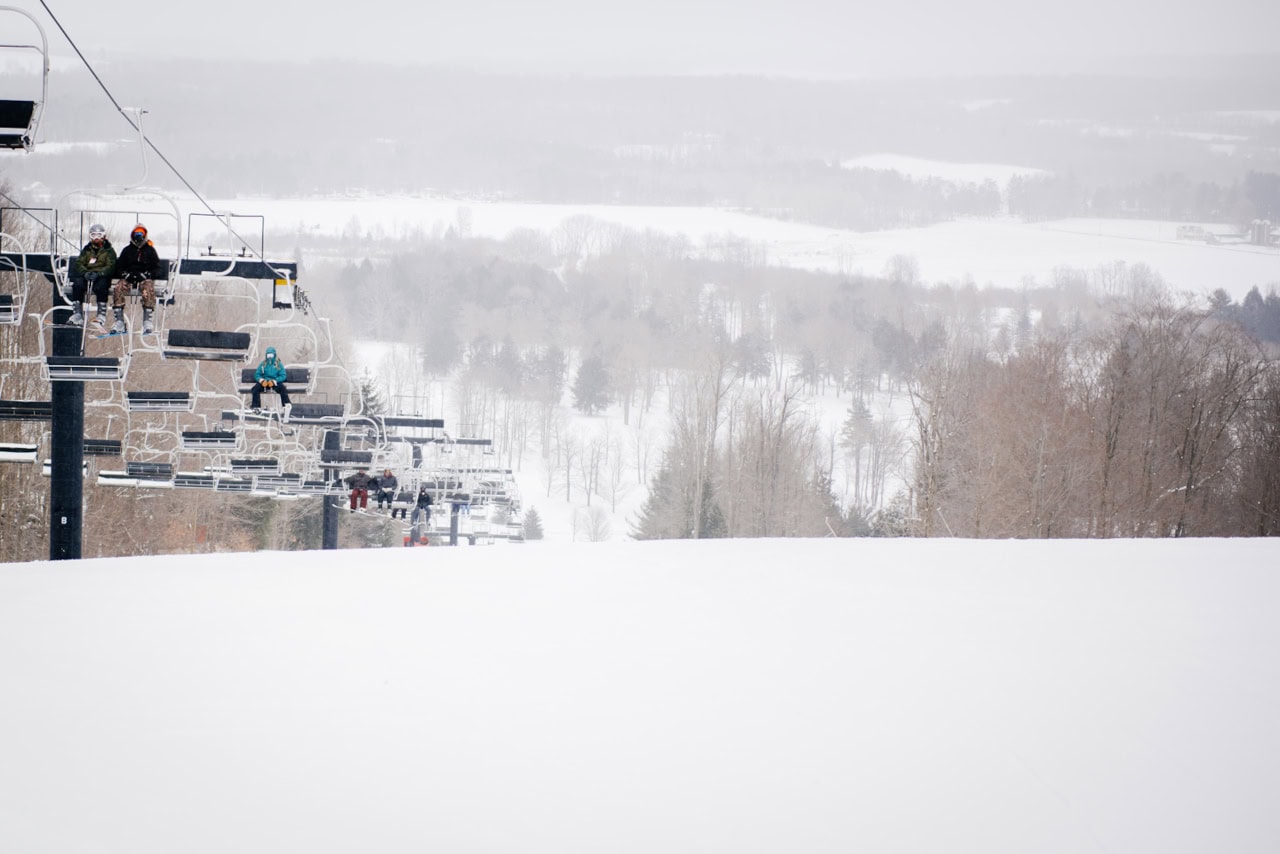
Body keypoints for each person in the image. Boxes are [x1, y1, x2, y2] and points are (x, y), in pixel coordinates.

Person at [111, 223, 161, 334]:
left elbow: (157, 268)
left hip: (143, 278)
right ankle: (119, 321)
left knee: (148, 289)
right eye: (137, 233)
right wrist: (125, 274)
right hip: (129, 277)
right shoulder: (127, 250)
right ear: (133, 235)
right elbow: (119, 266)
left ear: (145, 235)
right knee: (118, 288)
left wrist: (148, 274)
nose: (139, 236)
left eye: (141, 233)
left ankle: (147, 320)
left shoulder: (150, 250)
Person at [66, 223, 116, 328]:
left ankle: (101, 314)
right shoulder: (87, 249)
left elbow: (111, 266)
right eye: (94, 235)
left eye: (99, 235)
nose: (96, 238)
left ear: (103, 236)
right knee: (78, 284)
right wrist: (85, 273)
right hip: (88, 275)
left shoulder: (109, 250)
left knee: (102, 286)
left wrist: (100, 273)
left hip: (101, 276)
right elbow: (79, 263)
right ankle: (78, 313)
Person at [249, 346, 292, 421]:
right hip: (265, 382)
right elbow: (257, 374)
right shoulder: (263, 364)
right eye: (268, 355)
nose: (270, 357)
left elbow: (283, 375)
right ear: (266, 355)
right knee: (255, 389)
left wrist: (275, 381)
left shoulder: (278, 364)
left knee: (282, 389)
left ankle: (286, 405)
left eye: (271, 355)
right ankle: (256, 407)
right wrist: (262, 380)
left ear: (274, 355)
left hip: (274, 382)